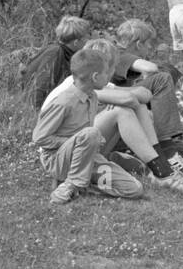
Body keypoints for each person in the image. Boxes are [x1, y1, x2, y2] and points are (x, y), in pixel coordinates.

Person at [46, 39, 183, 193]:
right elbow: (129, 98)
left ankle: (162, 168)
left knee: (136, 107)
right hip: (64, 155)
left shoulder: (100, 85)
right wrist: (122, 99)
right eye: (111, 69)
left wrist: (121, 97)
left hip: (84, 147)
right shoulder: (74, 87)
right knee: (122, 111)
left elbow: (144, 95)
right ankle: (162, 170)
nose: (113, 73)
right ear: (96, 73)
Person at [32, 48, 146, 205]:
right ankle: (72, 184)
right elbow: (40, 138)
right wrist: (77, 142)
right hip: (57, 159)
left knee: (134, 189)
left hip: (87, 157)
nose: (109, 76)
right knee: (91, 133)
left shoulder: (92, 96)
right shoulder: (63, 102)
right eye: (106, 73)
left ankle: (81, 184)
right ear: (95, 76)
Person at [113, 19, 183, 180]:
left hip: (118, 102)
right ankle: (168, 152)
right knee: (162, 78)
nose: (149, 48)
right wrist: (153, 74)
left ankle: (165, 149)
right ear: (139, 44)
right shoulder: (121, 53)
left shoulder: (117, 53)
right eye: (148, 44)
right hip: (114, 105)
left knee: (165, 75)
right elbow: (150, 68)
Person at [21, 15, 91, 108]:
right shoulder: (55, 53)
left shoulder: (65, 54)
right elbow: (40, 86)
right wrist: (37, 112)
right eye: (86, 38)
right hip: (38, 109)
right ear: (76, 42)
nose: (88, 41)